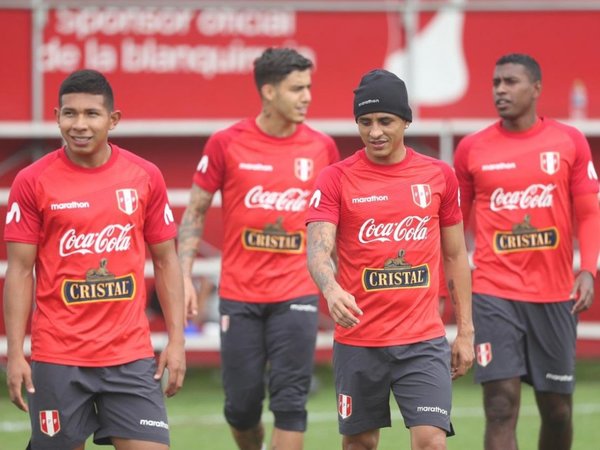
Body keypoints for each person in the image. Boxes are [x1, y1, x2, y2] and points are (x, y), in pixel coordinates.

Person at [3, 69, 186, 450]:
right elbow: (20, 270)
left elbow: (167, 261)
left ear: (113, 120)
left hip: (130, 356)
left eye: (91, 114)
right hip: (58, 358)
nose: (79, 124)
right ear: (56, 117)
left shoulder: (144, 176)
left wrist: (177, 340)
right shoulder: (32, 180)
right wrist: (16, 352)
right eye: (70, 114)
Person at [177, 47, 340, 450]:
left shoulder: (323, 147)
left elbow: (336, 223)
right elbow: (195, 211)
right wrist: (181, 276)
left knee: (291, 403)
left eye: (309, 87)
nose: (307, 97)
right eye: (296, 88)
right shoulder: (226, 143)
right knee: (241, 408)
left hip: (297, 294)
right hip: (239, 297)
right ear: (268, 91)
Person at [306, 69, 474, 450]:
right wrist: (330, 289)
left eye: (386, 121)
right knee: (360, 444)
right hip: (359, 341)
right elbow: (316, 249)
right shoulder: (335, 179)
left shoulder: (439, 176)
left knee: (432, 442)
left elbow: (455, 254)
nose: (375, 131)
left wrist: (465, 331)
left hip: (423, 341)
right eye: (365, 122)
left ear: (405, 121)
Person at [454, 53, 600, 450]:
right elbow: (452, 228)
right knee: (500, 405)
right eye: (496, 82)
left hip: (554, 297)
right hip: (493, 293)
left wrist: (588, 268)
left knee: (557, 410)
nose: (500, 89)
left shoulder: (569, 141)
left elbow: (589, 212)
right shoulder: (471, 148)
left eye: (511, 82)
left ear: (535, 88)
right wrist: (448, 285)